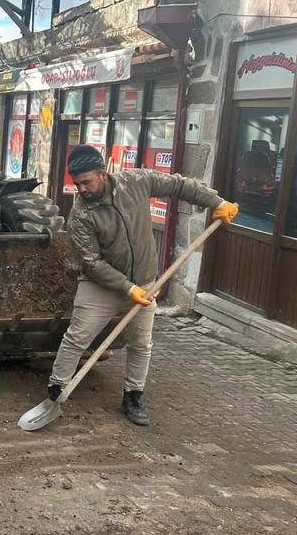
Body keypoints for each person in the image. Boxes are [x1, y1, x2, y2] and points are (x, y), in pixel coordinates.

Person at [48, 144, 239, 426]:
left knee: (141, 343)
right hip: (101, 284)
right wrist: (127, 288)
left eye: (86, 182)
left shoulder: (134, 182)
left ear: (103, 174)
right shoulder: (81, 215)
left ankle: (133, 396)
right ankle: (55, 390)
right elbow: (92, 263)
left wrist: (216, 202)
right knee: (77, 337)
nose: (82, 189)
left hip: (145, 282)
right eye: (77, 185)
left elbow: (177, 185)